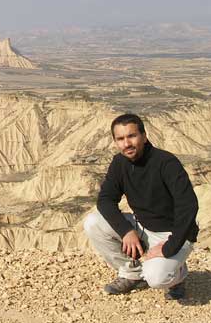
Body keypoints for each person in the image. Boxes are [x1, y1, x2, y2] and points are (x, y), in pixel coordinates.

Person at [83, 113, 198, 300]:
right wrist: (126, 231)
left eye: (132, 136)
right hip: (142, 226)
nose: (126, 143)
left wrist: (169, 247)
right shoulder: (119, 163)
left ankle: (178, 275)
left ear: (144, 137)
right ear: (115, 142)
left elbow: (188, 206)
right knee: (93, 222)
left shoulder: (166, 163)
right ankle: (132, 274)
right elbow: (105, 200)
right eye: (120, 138)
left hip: (173, 233)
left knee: (157, 278)